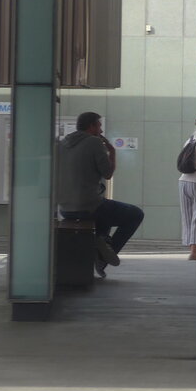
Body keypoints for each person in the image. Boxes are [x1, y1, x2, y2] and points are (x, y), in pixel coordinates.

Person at [56, 111, 145, 279]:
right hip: (88, 205)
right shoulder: (94, 142)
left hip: (65, 208)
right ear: (91, 126)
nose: (101, 131)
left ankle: (102, 242)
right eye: (99, 126)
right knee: (135, 214)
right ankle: (103, 255)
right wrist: (112, 152)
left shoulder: (63, 143)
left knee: (105, 213)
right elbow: (108, 173)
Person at [179, 117, 196, 260]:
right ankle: (195, 252)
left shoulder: (191, 139)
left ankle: (191, 248)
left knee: (187, 216)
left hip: (183, 180)